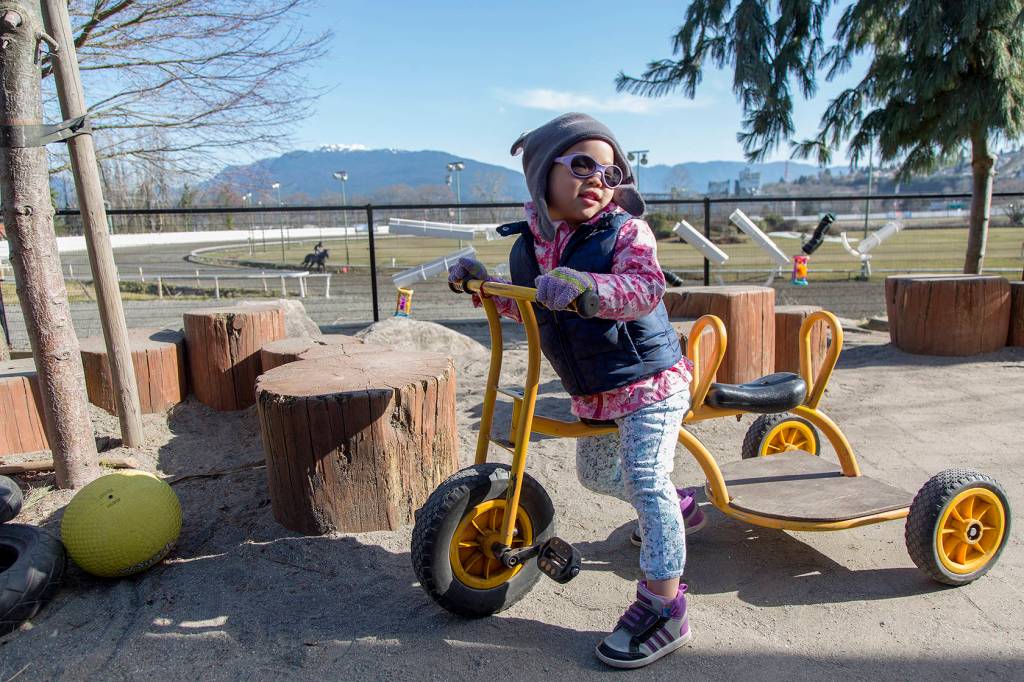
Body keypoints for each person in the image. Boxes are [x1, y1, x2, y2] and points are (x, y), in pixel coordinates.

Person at [448, 112, 703, 669]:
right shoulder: (530, 248)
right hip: (599, 388)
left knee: (644, 478)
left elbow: (644, 288)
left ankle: (666, 609)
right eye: (582, 165)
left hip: (650, 380)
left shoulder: (625, 232)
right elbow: (532, 308)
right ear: (542, 175)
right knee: (597, 475)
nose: (597, 181)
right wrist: (484, 287)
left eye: (611, 174)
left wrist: (588, 286)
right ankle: (681, 509)